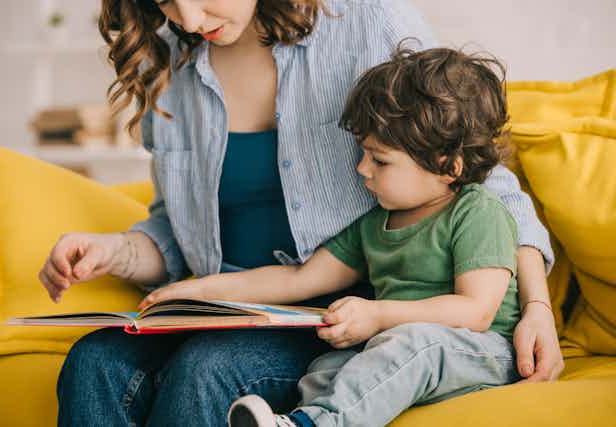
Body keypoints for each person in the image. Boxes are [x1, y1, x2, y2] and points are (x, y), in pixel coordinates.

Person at [38, 1, 562, 426]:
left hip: (341, 312)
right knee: (93, 363)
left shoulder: (365, 20)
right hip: (232, 304)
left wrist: (537, 305)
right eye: (165, 1)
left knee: (208, 371)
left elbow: (478, 173)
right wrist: (116, 251)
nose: (189, 20)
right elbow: (173, 229)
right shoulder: (166, 59)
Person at [140, 44, 526, 427]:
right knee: (328, 367)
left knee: (413, 345)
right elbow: (299, 278)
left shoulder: (477, 212)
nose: (362, 169)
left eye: (379, 160)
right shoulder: (375, 224)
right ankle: (298, 419)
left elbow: (475, 311)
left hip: (479, 352)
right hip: (398, 345)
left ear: (448, 167)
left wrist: (377, 314)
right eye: (363, 154)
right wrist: (201, 292)